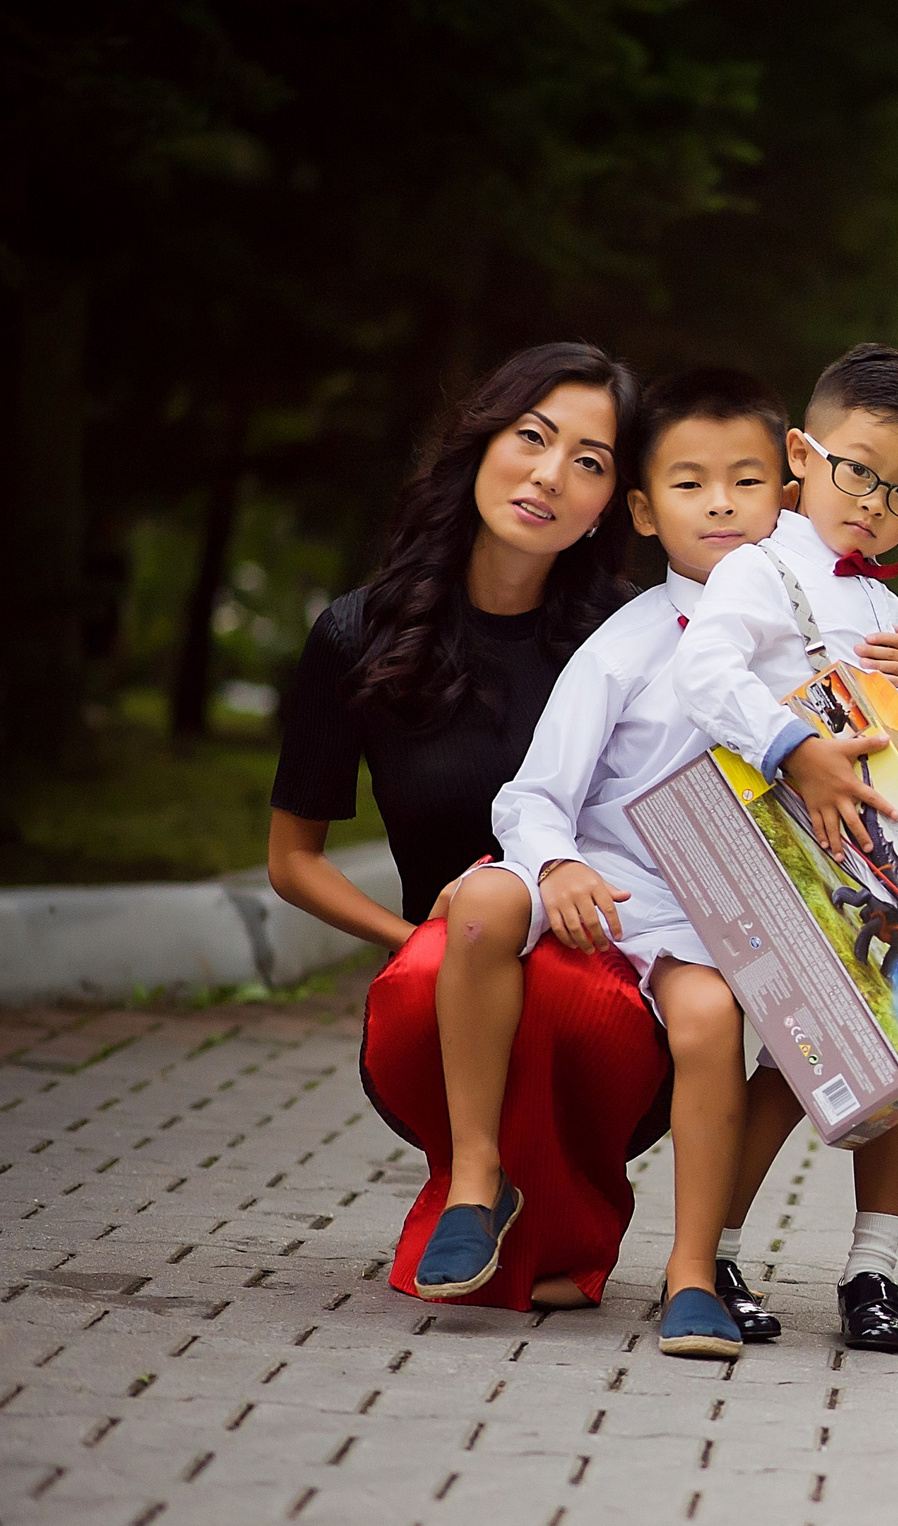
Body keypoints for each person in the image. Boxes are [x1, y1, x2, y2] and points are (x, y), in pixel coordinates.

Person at [424, 369, 811, 1358]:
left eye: (745, 481)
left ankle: (690, 1272)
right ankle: (477, 1180)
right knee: (477, 905)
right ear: (642, 510)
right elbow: (532, 797)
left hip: (706, 917)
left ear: (789, 495)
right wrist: (554, 870)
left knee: (712, 1018)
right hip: (593, 881)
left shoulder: (808, 649)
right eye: (688, 483)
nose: (719, 503)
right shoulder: (627, 644)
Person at [268, 341, 660, 1313]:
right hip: (433, 1005)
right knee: (474, 946)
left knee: (559, 988)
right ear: (480, 442)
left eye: (589, 462)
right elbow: (291, 862)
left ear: (609, 505)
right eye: (532, 438)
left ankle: (530, 1216)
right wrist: (422, 947)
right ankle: (483, 1188)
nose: (549, 476)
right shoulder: (358, 635)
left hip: (601, 989)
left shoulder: (633, 642)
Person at [671, 343, 898, 1355]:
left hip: (876, 869)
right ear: (801, 454)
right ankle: (716, 1253)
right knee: (795, 1064)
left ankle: (873, 1268)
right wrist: (793, 746)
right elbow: (702, 675)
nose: (878, 504)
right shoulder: (757, 569)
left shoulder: (881, 603)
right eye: (859, 471)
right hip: (783, 859)